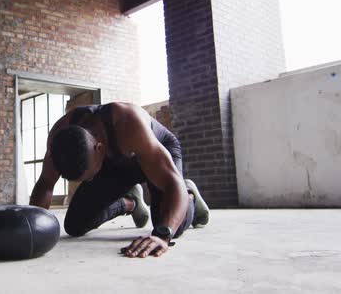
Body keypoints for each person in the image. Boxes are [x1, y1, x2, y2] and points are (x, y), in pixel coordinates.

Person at [29, 102, 209, 258]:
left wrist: (163, 236)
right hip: (116, 163)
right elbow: (45, 185)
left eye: (90, 175)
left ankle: (189, 194)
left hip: (157, 155)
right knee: (75, 225)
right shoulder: (59, 140)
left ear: (99, 148)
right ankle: (131, 203)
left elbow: (171, 183)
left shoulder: (128, 122)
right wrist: (33, 228)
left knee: (168, 226)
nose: (91, 180)